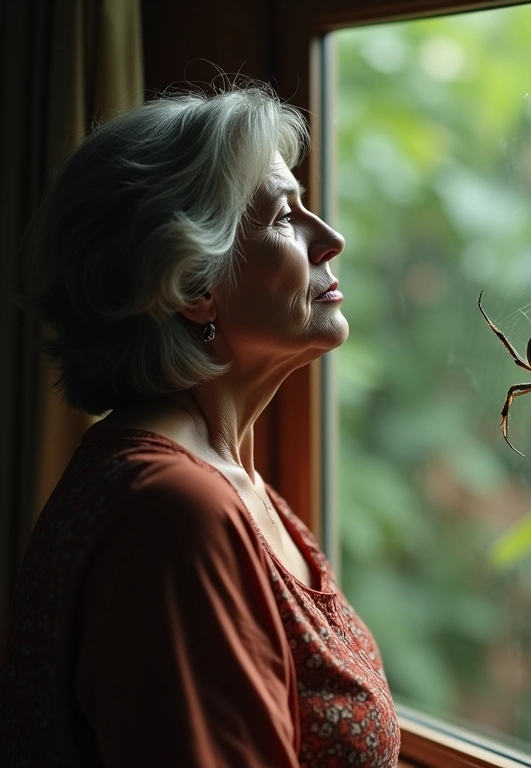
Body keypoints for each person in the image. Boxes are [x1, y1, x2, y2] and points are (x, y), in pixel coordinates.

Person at [0, 83, 401, 767]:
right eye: (282, 218)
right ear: (193, 287)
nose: (330, 239)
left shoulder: (226, 482)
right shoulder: (175, 513)